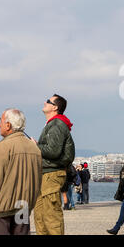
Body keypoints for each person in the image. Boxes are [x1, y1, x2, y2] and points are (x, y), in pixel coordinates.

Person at [32, 94, 75, 235]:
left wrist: (35, 146)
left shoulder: (57, 124)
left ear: (55, 107)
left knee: (51, 217)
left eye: (48, 101)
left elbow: (53, 151)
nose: (45, 102)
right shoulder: (54, 124)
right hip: (46, 174)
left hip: (51, 174)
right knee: (41, 216)